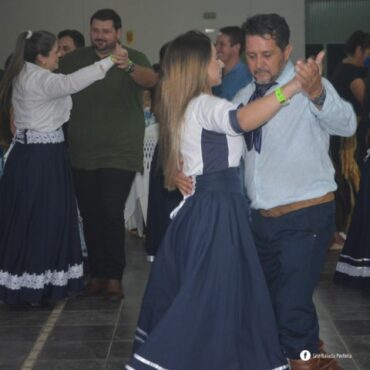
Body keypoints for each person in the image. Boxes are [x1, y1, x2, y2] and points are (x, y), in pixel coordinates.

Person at [124, 29, 322, 370]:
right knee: (214, 292)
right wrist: (293, 86)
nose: (220, 60)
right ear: (198, 66)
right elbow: (242, 121)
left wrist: (179, 175)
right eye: (213, 56)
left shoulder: (191, 105)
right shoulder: (206, 104)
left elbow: (187, 158)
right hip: (215, 212)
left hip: (210, 208)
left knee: (217, 292)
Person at [176, 14, 356, 370]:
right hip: (259, 220)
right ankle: (311, 355)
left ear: (287, 51)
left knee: (291, 304)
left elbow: (346, 122)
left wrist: (318, 91)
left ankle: (305, 360)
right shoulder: (244, 96)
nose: (258, 64)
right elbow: (216, 145)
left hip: (305, 213)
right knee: (271, 304)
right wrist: (181, 169)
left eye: (268, 55)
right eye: (252, 56)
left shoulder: (307, 83)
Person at [0, 30, 125, 305]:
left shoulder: (29, 73)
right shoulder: (40, 78)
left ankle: (36, 283)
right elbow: (71, 83)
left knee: (36, 219)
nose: (60, 55)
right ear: (42, 58)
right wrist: (109, 61)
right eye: (56, 51)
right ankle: (36, 285)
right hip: (41, 158)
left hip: (37, 154)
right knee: (43, 219)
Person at [58, 8, 157, 300]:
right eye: (95, 30)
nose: (100, 36)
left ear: (117, 33)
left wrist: (127, 66)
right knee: (90, 215)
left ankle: (114, 277)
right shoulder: (75, 60)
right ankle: (98, 275)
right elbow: (54, 87)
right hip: (82, 153)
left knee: (110, 213)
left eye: (106, 31)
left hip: (119, 152)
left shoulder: (133, 57)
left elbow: (151, 80)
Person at [330, 30, 370, 249]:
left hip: (343, 136)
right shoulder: (353, 73)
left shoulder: (341, 68)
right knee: (352, 180)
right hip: (349, 141)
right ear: (360, 50)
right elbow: (365, 101)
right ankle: (349, 231)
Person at [212, 26, 252, 101]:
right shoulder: (217, 73)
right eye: (216, 44)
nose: (216, 49)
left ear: (236, 48)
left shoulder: (244, 77)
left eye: (222, 44)